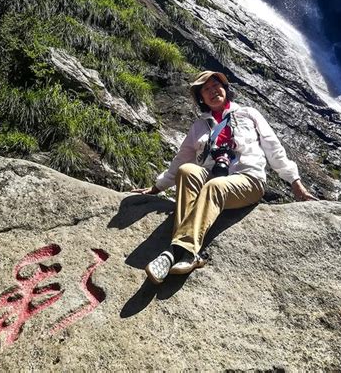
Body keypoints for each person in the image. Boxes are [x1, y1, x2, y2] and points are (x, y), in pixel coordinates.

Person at [132, 70, 317, 284]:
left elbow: (273, 148)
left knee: (215, 186)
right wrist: (157, 187)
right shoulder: (199, 127)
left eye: (216, 86)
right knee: (188, 171)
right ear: (201, 98)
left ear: (225, 89)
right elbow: (180, 160)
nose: (212, 91)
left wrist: (295, 182)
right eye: (206, 90)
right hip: (212, 177)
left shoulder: (249, 113)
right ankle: (184, 254)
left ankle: (179, 251)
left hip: (248, 180)